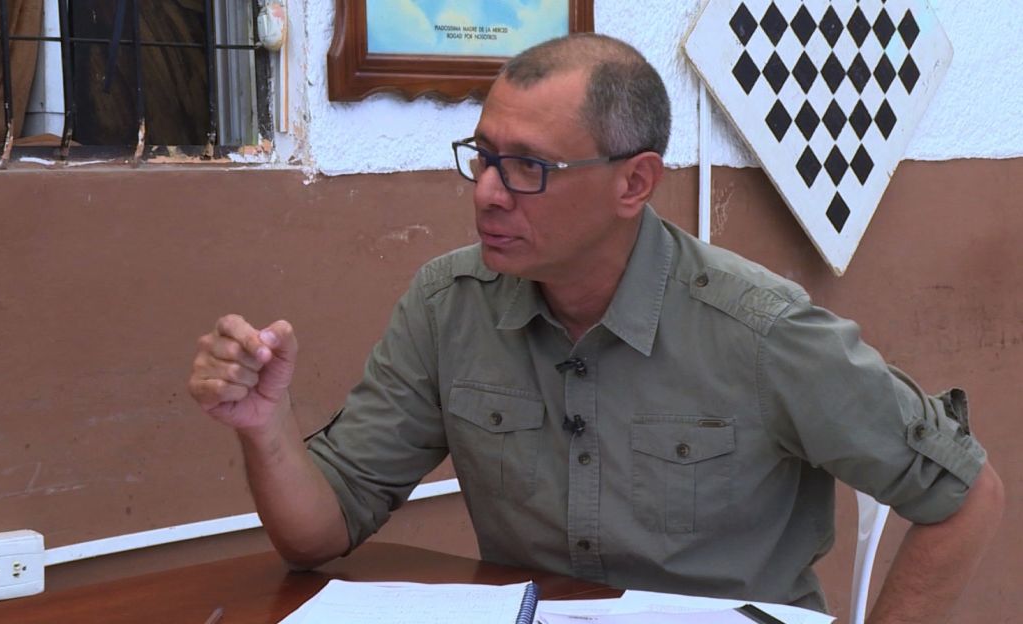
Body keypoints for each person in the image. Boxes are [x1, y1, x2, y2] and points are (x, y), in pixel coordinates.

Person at [187, 33, 1003, 621]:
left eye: (529, 167)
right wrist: (266, 429)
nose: (489, 193)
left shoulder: (759, 330)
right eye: (484, 155)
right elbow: (318, 535)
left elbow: (965, 496)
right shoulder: (450, 304)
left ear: (634, 183)